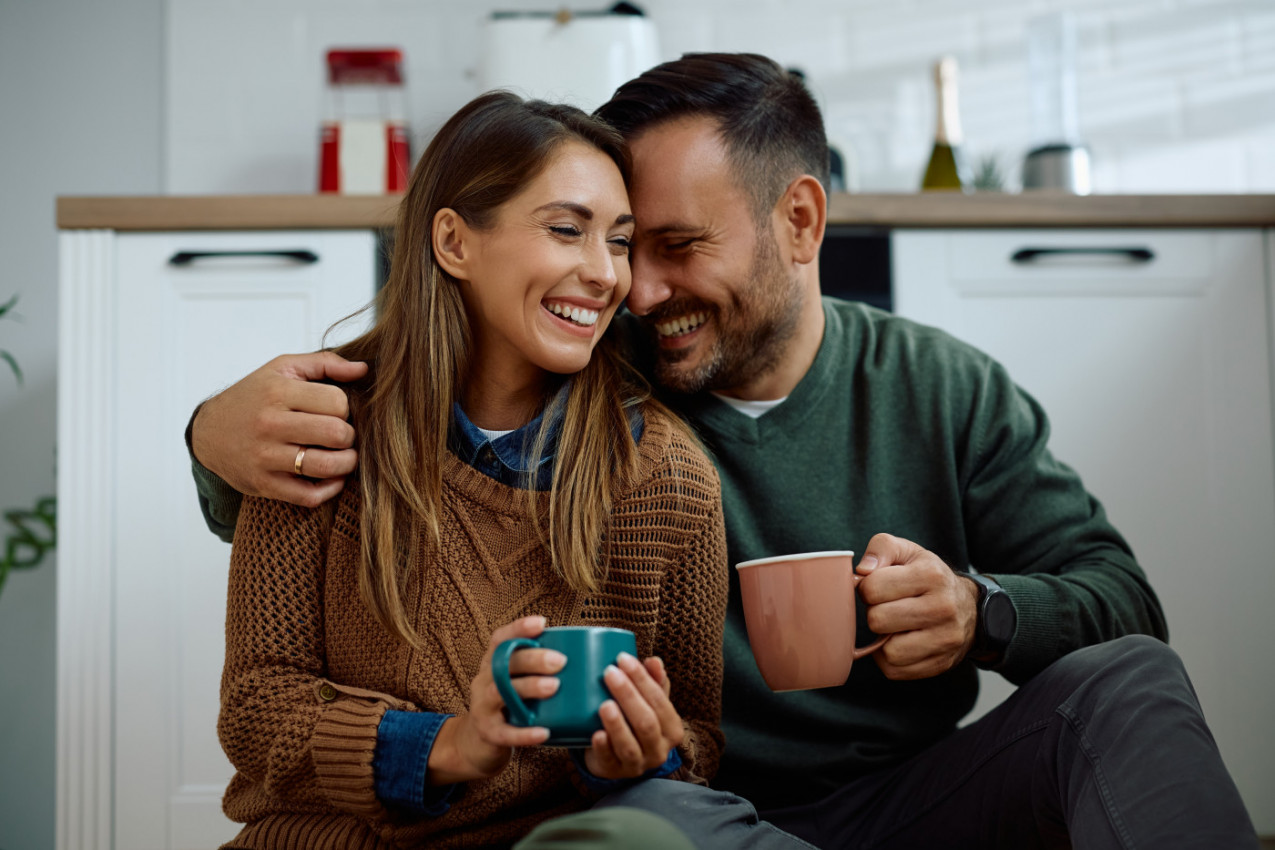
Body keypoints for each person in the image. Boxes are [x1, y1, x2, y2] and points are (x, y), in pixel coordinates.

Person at [192, 56, 1259, 849]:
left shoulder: (940, 387)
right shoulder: (599, 369)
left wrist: (983, 611)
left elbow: (1123, 600)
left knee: (1130, 682)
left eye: (671, 247)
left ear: (798, 220)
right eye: (611, 242)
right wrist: (211, 434)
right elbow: (410, 420)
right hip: (687, 810)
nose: (634, 290)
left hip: (909, 795)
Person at [212, 90, 729, 850]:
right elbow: (257, 710)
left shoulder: (667, 477)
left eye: (618, 242)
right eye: (565, 230)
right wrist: (448, 745)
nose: (604, 274)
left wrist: (635, 761)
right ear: (453, 242)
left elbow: (700, 741)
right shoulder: (318, 429)